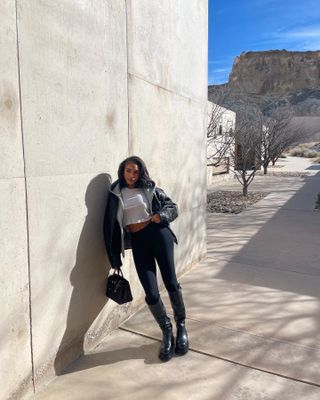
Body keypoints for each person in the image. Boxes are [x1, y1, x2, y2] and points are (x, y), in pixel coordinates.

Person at [103, 156, 189, 362]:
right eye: (128, 171)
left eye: (136, 172)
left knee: (171, 282)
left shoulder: (150, 188)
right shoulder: (115, 194)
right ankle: (167, 331)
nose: (132, 175)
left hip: (159, 235)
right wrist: (114, 257)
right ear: (122, 172)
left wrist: (160, 215)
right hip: (139, 243)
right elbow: (110, 229)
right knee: (150, 292)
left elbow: (172, 207)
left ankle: (182, 327)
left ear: (141, 173)